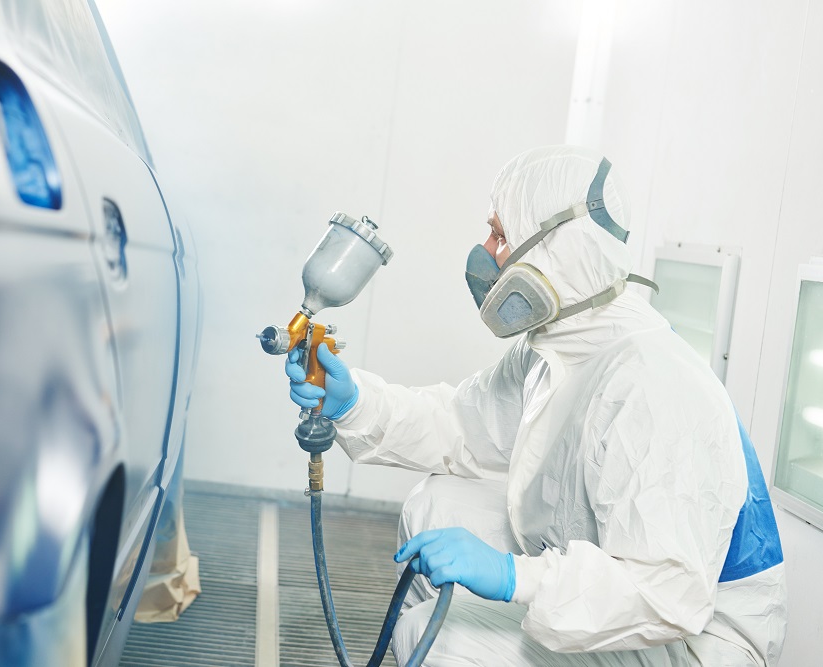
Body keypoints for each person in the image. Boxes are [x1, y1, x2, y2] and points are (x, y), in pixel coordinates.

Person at [285, 145, 787, 666]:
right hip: (622, 573)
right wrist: (354, 403)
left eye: (501, 235)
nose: (485, 252)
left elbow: (667, 592)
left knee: (435, 638)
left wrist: (512, 577)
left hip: (694, 642)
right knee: (434, 507)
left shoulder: (651, 382)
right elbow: (460, 428)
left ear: (556, 246)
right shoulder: (563, 345)